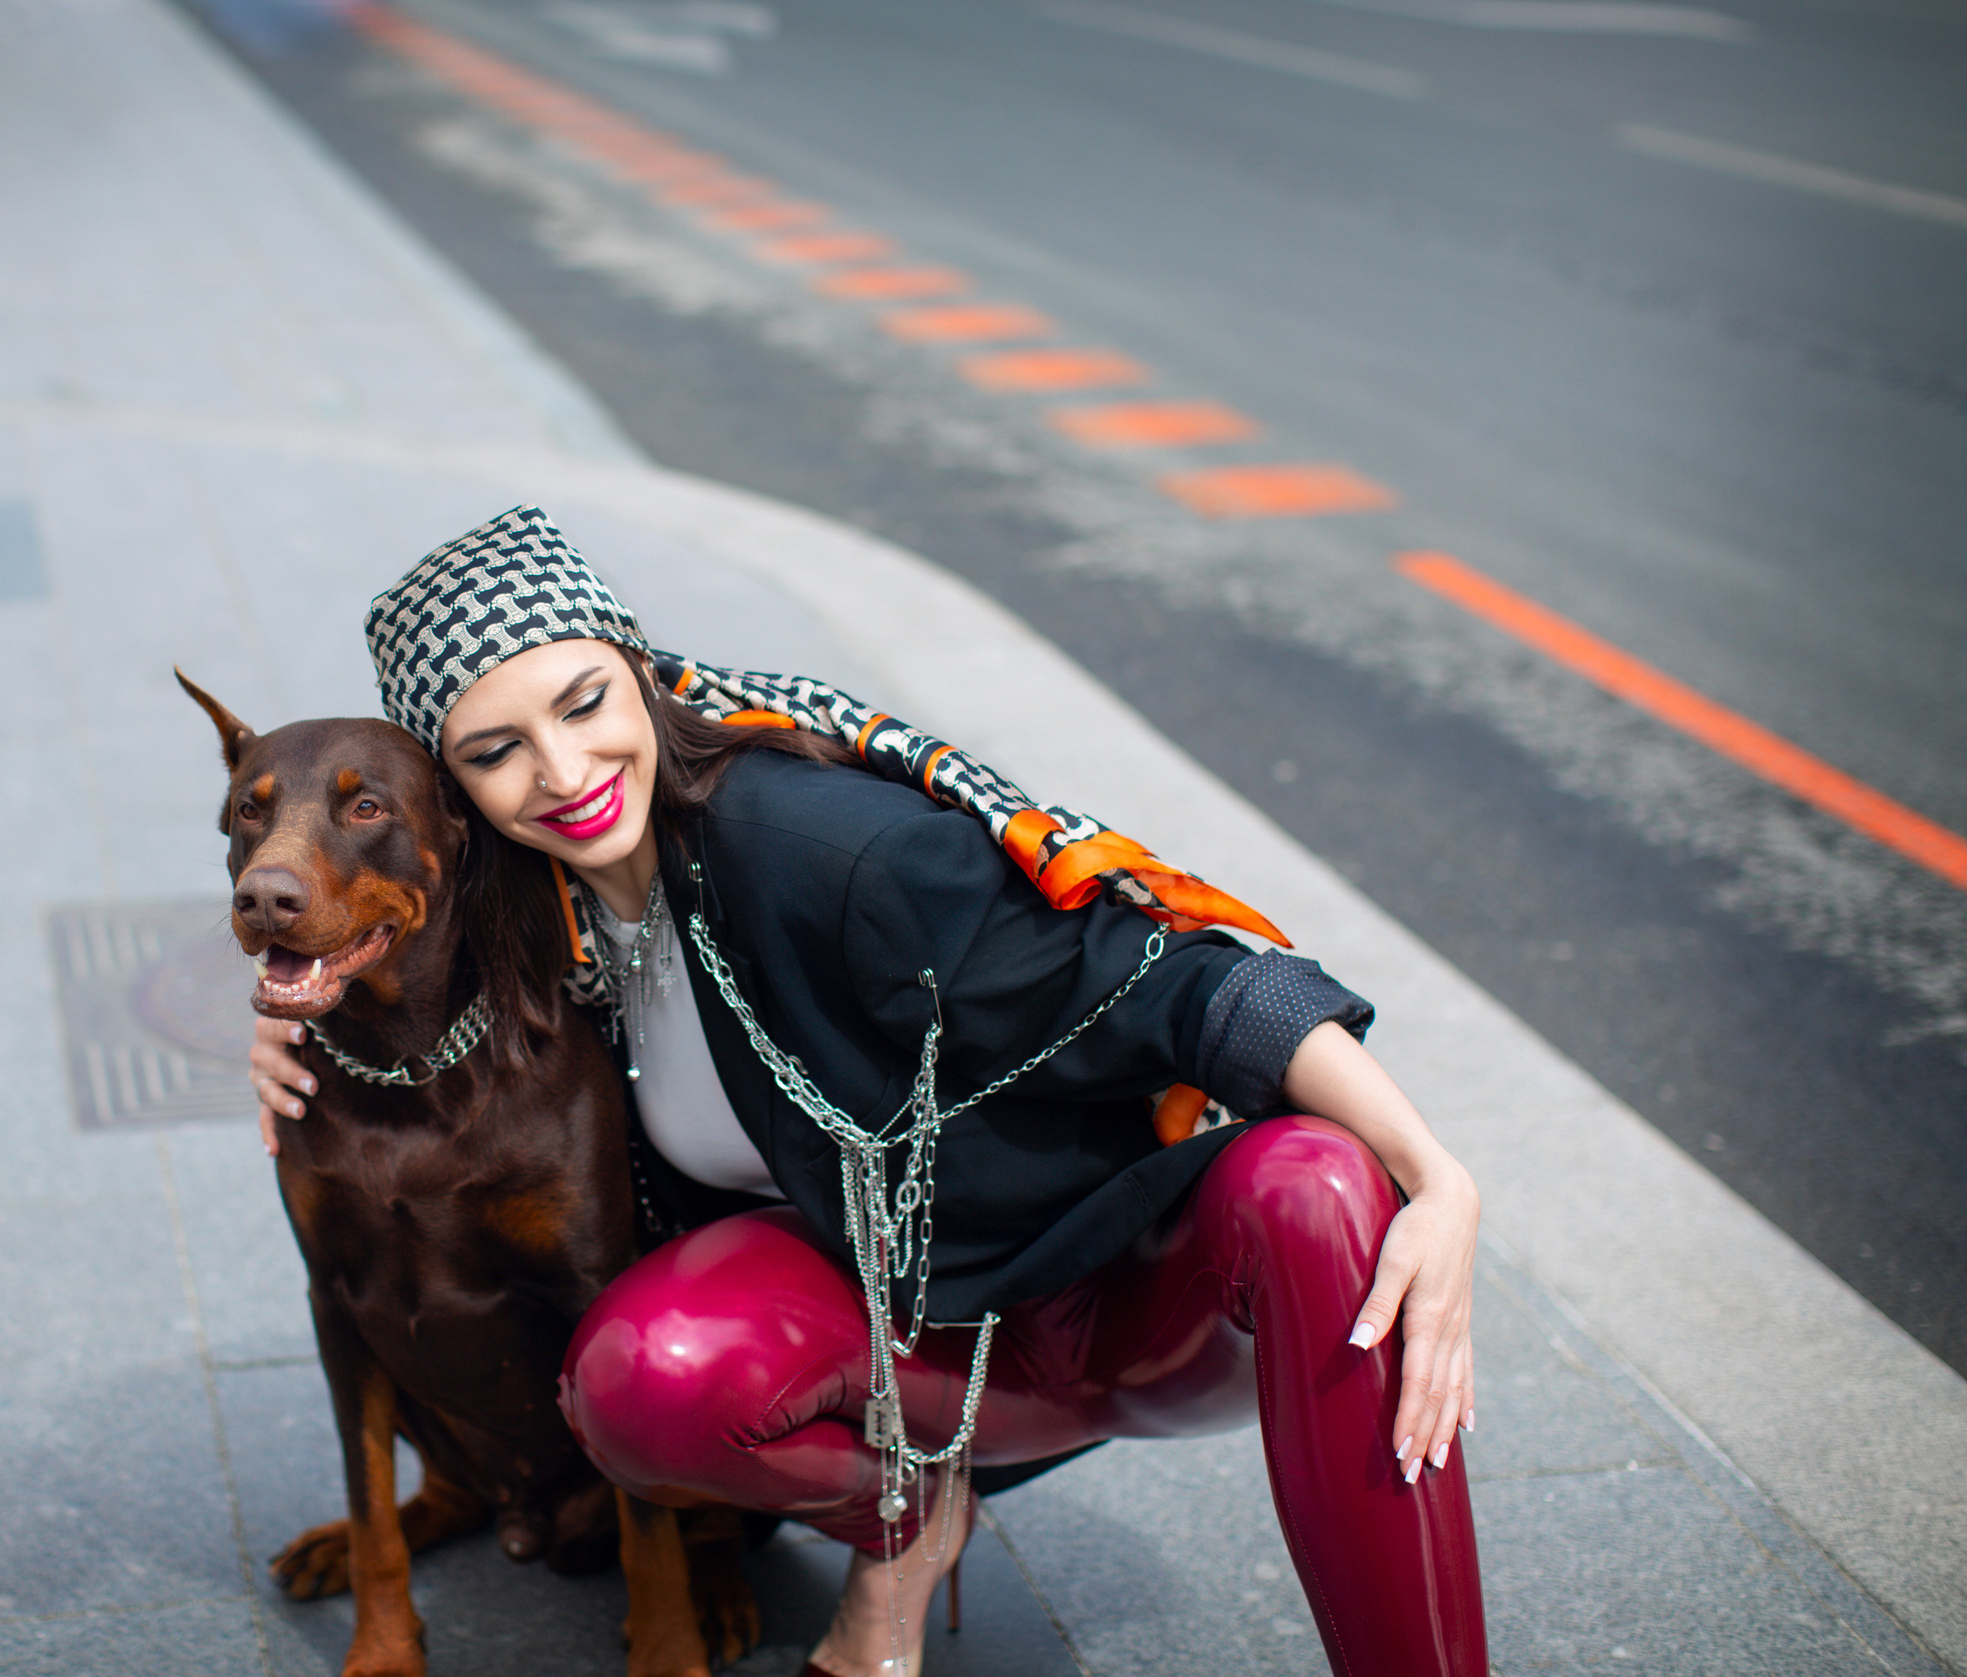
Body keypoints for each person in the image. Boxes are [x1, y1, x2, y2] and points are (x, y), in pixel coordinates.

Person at [250, 507, 1486, 1677]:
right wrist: (277, 1035)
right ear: (460, 801)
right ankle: (910, 1517)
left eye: (582, 704)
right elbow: (368, 957)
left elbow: (1180, 980)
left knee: (1315, 1180)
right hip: (908, 1345)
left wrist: (1435, 1175)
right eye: (495, 752)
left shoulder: (828, 852)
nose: (565, 769)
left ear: (636, 670)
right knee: (643, 1376)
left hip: (1109, 1302)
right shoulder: (548, 915)